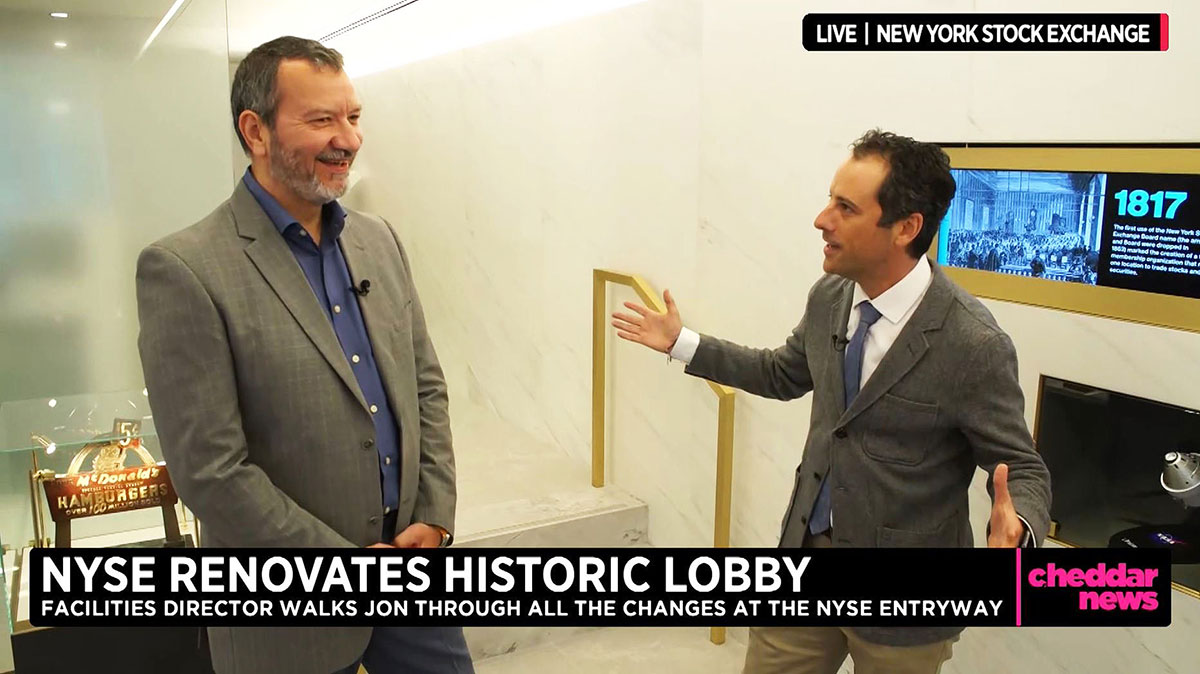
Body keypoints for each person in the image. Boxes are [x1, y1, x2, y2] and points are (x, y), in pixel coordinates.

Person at [611, 130, 1050, 674]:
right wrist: (683, 343)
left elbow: (1022, 466)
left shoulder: (973, 344)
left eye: (845, 208)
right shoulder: (830, 296)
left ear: (907, 228)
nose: (822, 219)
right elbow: (783, 372)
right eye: (830, 200)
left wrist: (1020, 528)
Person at [136, 37, 473, 674]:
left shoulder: (380, 241)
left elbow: (425, 387)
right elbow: (210, 471)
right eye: (321, 120)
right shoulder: (183, 269)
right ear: (255, 131)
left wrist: (434, 513)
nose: (346, 138)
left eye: (352, 116)